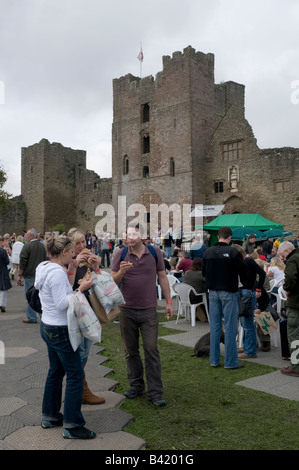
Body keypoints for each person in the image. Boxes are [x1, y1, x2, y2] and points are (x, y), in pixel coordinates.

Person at [35, 235, 96, 439]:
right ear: (63, 252)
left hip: (47, 325)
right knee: (75, 374)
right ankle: (72, 425)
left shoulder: (43, 267)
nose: (73, 256)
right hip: (60, 329)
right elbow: (62, 303)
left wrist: (71, 274)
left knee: (55, 371)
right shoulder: (57, 273)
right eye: (71, 252)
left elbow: (54, 295)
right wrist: (81, 289)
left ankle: (50, 415)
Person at [111, 222, 173, 406]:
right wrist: (121, 271)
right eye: (128, 234)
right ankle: (136, 385)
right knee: (131, 351)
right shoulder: (120, 254)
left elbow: (162, 276)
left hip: (148, 310)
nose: (130, 238)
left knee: (151, 349)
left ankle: (155, 392)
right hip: (126, 309)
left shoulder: (154, 253)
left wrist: (169, 302)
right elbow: (112, 281)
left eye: (134, 235)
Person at [67, 228, 105, 405]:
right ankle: (81, 389)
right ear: (71, 246)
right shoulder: (68, 262)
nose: (82, 246)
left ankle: (80, 388)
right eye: (78, 243)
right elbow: (68, 287)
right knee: (80, 352)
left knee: (85, 351)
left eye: (83, 242)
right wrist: (74, 264)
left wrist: (96, 266)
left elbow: (99, 284)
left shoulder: (88, 261)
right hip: (76, 313)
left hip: (89, 310)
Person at [202, 226, 248, 369]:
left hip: (213, 292)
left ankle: (214, 360)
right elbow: (244, 271)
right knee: (230, 327)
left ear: (218, 236)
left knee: (215, 326)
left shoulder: (208, 251)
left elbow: (204, 272)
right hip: (228, 291)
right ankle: (230, 362)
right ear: (229, 237)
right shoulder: (232, 251)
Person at [233, 244, 266, 359]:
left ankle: (250, 351)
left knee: (247, 323)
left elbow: (262, 274)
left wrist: (258, 289)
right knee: (245, 322)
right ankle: (248, 346)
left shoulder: (248, 261)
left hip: (247, 293)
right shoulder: (245, 261)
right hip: (244, 293)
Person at [277, 241, 299, 376]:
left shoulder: (293, 259)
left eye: (282, 256)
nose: (283, 259)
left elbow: (290, 277)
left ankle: (295, 366)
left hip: (296, 303)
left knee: (294, 335)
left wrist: (287, 288)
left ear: (286, 251)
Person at [17, 228, 48, 323]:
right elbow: (46, 259)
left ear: (31, 236)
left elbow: (23, 261)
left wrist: (19, 274)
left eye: (27, 235)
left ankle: (32, 317)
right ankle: (44, 317)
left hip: (30, 274)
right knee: (41, 296)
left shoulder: (27, 246)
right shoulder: (42, 246)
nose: (26, 237)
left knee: (29, 296)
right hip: (41, 275)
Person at [0, 243, 12, 312]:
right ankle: (2, 304)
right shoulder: (3, 251)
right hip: (2, 271)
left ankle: (2, 304)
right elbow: (7, 262)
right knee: (4, 289)